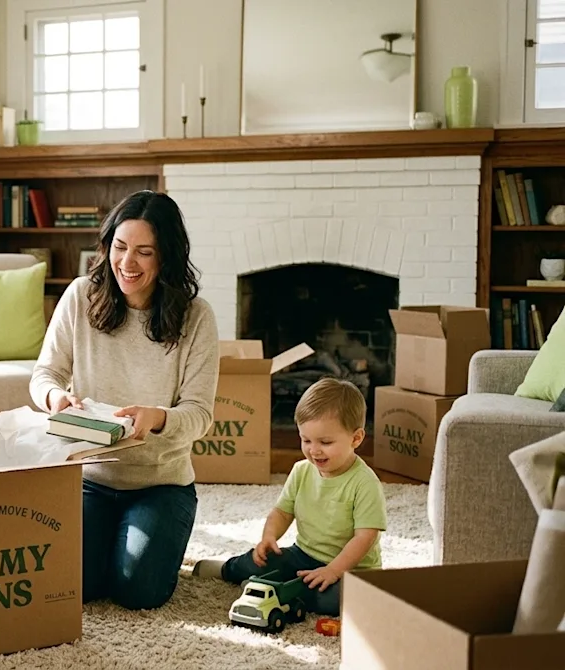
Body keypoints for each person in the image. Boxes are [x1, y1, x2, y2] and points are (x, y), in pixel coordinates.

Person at [29, 190, 219, 610]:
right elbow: (45, 375)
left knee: (138, 590)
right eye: (119, 247)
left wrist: (159, 418)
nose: (126, 263)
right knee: (74, 584)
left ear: (166, 257)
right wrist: (55, 397)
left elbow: (201, 414)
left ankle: (152, 537)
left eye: (144, 252)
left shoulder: (197, 317)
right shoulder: (80, 296)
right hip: (89, 479)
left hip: (161, 485)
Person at [192, 377, 387, 615]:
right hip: (303, 554)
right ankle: (229, 569)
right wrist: (269, 536)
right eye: (306, 440)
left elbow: (364, 538)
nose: (314, 450)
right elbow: (282, 512)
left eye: (325, 442)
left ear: (356, 438)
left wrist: (333, 571)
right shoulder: (301, 470)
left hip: (351, 569)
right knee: (262, 560)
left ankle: (282, 590)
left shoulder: (365, 483)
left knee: (335, 600)